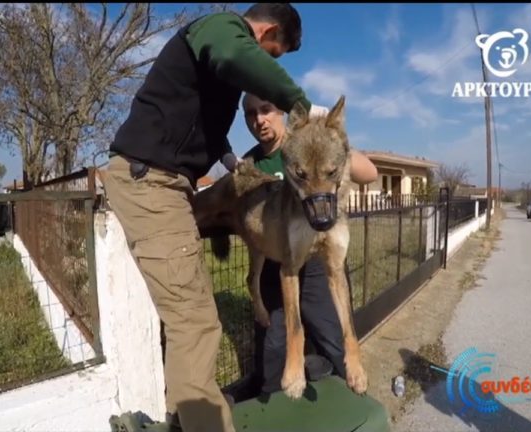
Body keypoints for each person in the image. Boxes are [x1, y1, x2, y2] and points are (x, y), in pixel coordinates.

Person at [101, 4, 330, 432]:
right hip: (151, 183)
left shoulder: (214, 57)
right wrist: (299, 103)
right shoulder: (223, 29)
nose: (269, 65)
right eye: (274, 55)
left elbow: (201, 120)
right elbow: (237, 57)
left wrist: (227, 159)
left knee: (192, 315)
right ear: (267, 34)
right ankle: (202, 421)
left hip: (163, 183)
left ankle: (186, 416)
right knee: (197, 323)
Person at [238, 92, 379, 396]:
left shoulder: (312, 138)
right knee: (272, 355)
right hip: (282, 262)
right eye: (250, 113)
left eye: (266, 109)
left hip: (317, 270)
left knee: (332, 339)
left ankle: (350, 404)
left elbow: (370, 173)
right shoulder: (251, 162)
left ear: (283, 114)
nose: (259, 119)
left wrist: (333, 140)